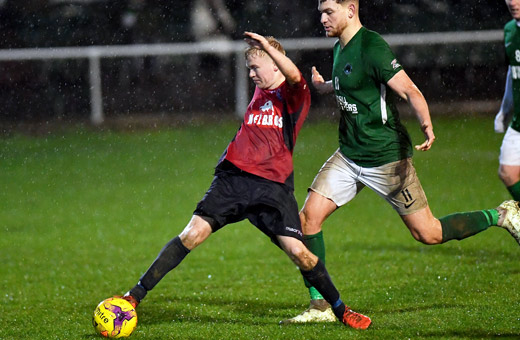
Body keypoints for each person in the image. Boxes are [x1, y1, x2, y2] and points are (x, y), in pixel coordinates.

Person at [282, 0, 520, 324]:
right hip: (350, 155)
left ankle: (501, 215)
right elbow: (349, 87)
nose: (321, 18)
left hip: (387, 159)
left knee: (429, 233)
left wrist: (426, 123)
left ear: (350, 10)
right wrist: (324, 86)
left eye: (328, 12)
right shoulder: (339, 47)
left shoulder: (372, 46)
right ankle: (320, 307)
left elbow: (409, 89)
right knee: (308, 219)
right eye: (320, 12)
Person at [117, 31, 371, 330]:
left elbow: (292, 74)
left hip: (273, 188)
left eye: (255, 68)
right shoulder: (261, 90)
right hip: (233, 179)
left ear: (275, 65)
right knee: (191, 234)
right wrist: (260, 53)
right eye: (249, 68)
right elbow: (275, 71)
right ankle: (133, 297)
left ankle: (341, 310)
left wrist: (268, 48)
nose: (251, 74)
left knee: (299, 253)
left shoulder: (293, 94)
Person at [495, 0, 520, 201]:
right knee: (507, 172)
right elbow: (513, 72)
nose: (512, 2)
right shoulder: (510, 31)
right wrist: (505, 110)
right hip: (519, 121)